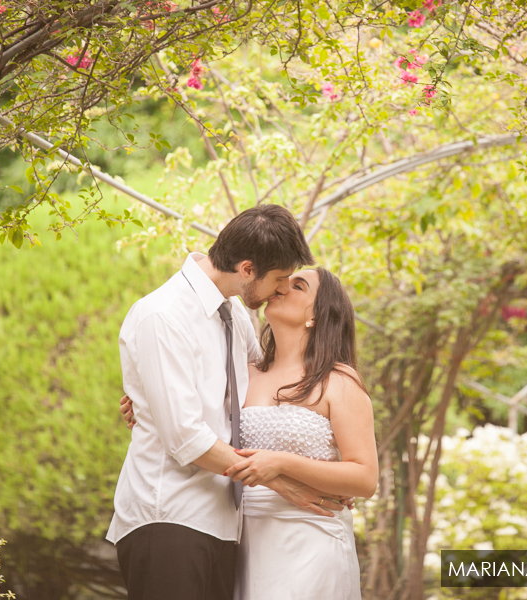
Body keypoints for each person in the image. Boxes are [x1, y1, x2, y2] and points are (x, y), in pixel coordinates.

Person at [106, 204, 352, 600]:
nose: (284, 289)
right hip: (169, 516)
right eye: (280, 279)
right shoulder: (163, 315)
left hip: (223, 523)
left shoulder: (235, 315)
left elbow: (258, 382)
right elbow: (185, 438)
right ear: (248, 269)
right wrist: (283, 482)